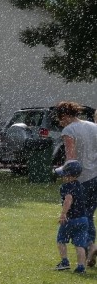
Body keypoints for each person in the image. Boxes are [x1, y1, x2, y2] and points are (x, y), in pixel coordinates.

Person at [57, 101, 97, 267]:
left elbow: (71, 157)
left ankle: (90, 246)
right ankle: (90, 249)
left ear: (65, 116)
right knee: (89, 214)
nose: (60, 122)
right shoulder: (93, 126)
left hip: (81, 179)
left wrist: (67, 176)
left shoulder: (69, 130)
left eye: (60, 118)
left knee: (82, 215)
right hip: (96, 175)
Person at [52, 160, 89, 273]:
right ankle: (81, 267)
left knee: (61, 240)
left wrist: (63, 214)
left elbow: (68, 199)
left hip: (70, 219)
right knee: (80, 244)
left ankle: (64, 262)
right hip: (83, 219)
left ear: (68, 175)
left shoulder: (66, 187)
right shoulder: (80, 185)